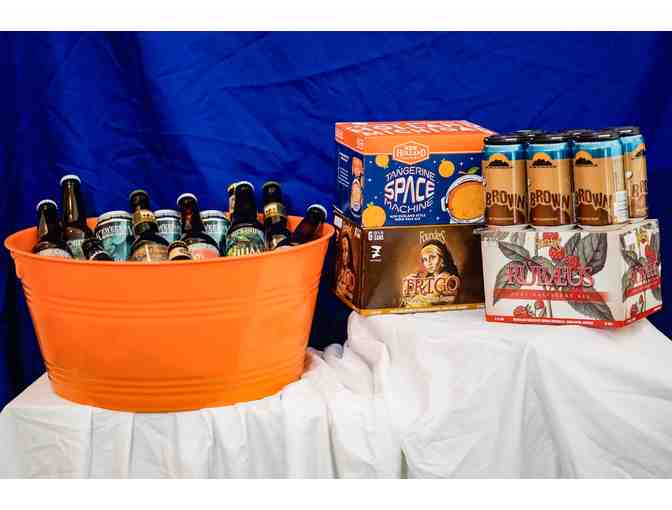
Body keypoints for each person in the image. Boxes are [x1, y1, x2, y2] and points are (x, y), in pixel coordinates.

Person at [401, 240, 461, 308]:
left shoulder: (445, 280)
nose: (428, 263)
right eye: (425, 259)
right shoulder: (429, 280)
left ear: (442, 259)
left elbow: (422, 305)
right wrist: (408, 290)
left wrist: (409, 295)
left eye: (432, 257)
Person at [336, 233, 356, 301]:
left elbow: (352, 296)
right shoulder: (339, 270)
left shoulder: (351, 275)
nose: (344, 254)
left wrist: (345, 292)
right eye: (342, 250)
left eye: (346, 250)